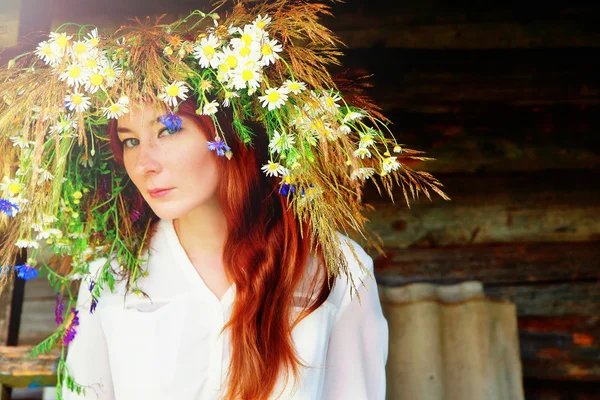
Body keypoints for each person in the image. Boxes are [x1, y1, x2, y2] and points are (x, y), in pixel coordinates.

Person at [0, 1, 448, 399]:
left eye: (168, 129)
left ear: (228, 133)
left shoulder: (337, 268)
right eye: (130, 140)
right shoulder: (111, 275)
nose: (144, 163)